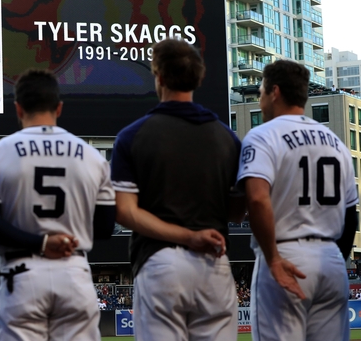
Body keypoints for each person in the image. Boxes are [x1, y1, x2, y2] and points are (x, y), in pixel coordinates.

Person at [110, 39, 245, 340]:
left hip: (160, 262)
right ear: (199, 75)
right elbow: (237, 211)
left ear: (157, 75)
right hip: (214, 261)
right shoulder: (228, 139)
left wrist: (186, 234)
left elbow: (124, 211)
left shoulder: (133, 136)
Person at [0, 69, 115, 340]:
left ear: (18, 108)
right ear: (59, 108)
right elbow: (105, 227)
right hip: (74, 270)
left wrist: (41, 242)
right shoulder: (93, 157)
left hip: (21, 273)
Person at [237, 60, 357, 341]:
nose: (260, 98)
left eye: (262, 91)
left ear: (275, 91)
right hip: (331, 260)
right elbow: (350, 215)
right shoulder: (335, 142)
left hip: (285, 254)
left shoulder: (263, 135)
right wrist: (332, 259)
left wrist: (274, 258)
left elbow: (256, 199)